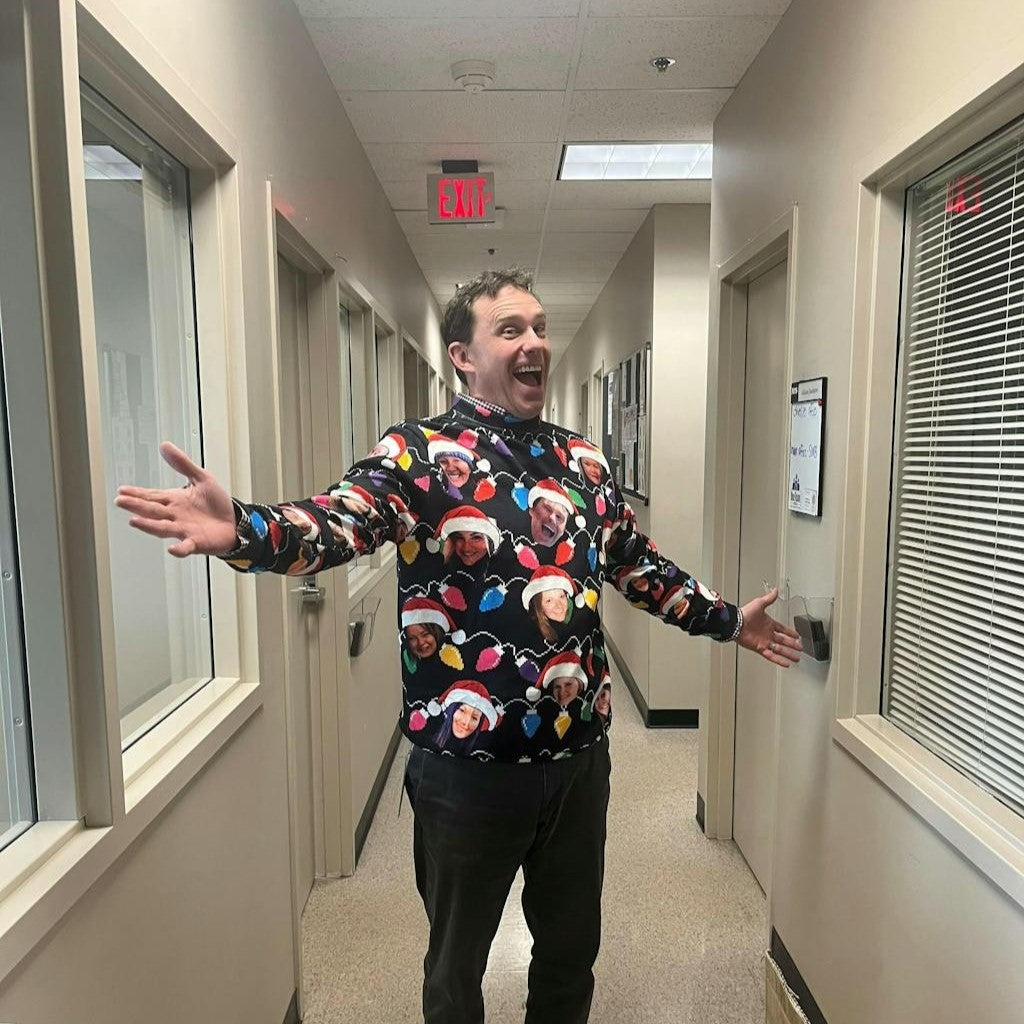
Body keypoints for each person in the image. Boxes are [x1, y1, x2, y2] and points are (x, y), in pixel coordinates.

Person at [115, 267, 802, 1024]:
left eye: (539, 327)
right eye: (510, 330)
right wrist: (245, 530)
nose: (534, 342)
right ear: (464, 357)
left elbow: (638, 567)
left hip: (578, 760)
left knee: (570, 955)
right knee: (455, 970)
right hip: (465, 770)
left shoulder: (585, 463)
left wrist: (729, 620)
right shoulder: (416, 455)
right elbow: (338, 521)